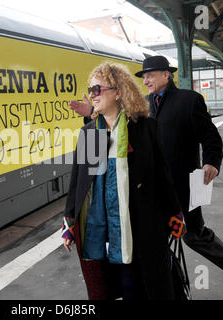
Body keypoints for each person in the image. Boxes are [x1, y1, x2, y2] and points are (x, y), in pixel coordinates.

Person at [69, 56, 223, 300]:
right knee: (152, 252)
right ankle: (170, 290)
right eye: (143, 76)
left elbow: (210, 137)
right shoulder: (141, 105)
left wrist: (211, 161)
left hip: (182, 187)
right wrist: (91, 111)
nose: (146, 79)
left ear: (167, 74)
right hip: (149, 192)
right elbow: (116, 125)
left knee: (194, 236)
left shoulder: (189, 100)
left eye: (151, 74)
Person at [62, 61, 185, 300]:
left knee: (138, 288)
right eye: (91, 90)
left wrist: (175, 213)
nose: (92, 95)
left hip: (140, 227)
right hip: (101, 231)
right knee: (106, 288)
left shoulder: (144, 128)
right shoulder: (90, 132)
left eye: (97, 89)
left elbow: (162, 175)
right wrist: (69, 223)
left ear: (118, 92)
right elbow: (79, 183)